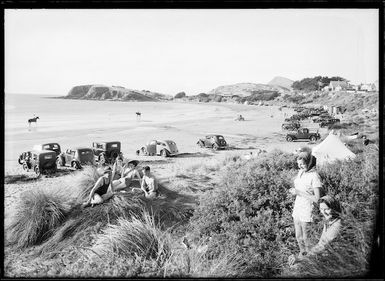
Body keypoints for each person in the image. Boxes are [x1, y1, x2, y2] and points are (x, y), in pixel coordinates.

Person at [288, 195, 342, 265]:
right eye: (321, 209)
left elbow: (322, 246)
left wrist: (300, 259)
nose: (323, 212)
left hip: (336, 261)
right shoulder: (329, 221)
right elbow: (320, 243)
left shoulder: (337, 225)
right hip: (325, 257)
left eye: (326, 209)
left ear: (334, 208)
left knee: (298, 267)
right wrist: (305, 256)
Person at [289, 149, 321, 258]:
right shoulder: (301, 172)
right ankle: (302, 255)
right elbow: (301, 187)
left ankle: (309, 259)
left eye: (302, 164)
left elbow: (317, 198)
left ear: (309, 162)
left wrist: (299, 192)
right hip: (298, 207)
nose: (300, 167)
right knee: (298, 236)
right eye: (298, 164)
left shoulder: (315, 176)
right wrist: (295, 191)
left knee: (306, 238)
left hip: (307, 208)